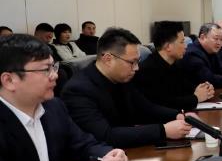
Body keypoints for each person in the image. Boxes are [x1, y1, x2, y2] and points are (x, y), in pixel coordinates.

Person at [0, 34, 128, 161]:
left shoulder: (53, 107)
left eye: (54, 67)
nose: (55, 75)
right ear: (9, 80)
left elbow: (82, 145)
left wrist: (109, 155)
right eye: (45, 69)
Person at [61, 27, 191, 148]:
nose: (136, 68)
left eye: (137, 61)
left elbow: (146, 107)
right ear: (108, 59)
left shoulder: (122, 78)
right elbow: (105, 136)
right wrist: (163, 131)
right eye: (132, 62)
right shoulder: (78, 90)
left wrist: (178, 115)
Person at [134, 21, 214, 111]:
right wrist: (196, 98)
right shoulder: (148, 70)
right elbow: (164, 103)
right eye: (182, 42)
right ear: (168, 46)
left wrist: (204, 89)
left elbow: (185, 87)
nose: (185, 46)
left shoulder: (175, 64)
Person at [180, 23, 222, 88]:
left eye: (221, 39)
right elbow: (209, 80)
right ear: (203, 37)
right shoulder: (193, 54)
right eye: (216, 39)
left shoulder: (211, 51)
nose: (219, 43)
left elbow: (221, 70)